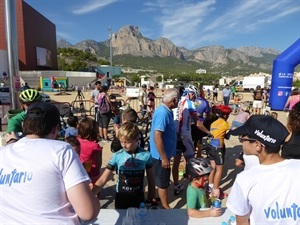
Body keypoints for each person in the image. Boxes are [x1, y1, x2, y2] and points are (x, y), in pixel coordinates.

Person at [0, 102, 100, 224]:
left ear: (23, 125)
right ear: (56, 129)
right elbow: (87, 212)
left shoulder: (3, 153)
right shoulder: (62, 150)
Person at [226, 115, 300, 225]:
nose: (241, 142)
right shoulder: (297, 167)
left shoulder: (245, 179)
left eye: (242, 138)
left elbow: (242, 222)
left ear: (257, 145)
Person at [92, 122, 155, 209]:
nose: (123, 145)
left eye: (127, 142)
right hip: (121, 197)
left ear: (137, 140)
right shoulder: (117, 155)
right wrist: (91, 194)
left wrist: (151, 196)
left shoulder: (146, 155)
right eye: (121, 142)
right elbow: (103, 178)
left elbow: (151, 177)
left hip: (138, 197)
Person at [172, 85, 211, 195]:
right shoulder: (190, 103)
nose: (194, 99)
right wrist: (208, 132)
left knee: (176, 162)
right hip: (186, 136)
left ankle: (176, 185)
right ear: (191, 93)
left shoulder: (177, 102)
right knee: (191, 162)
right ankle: (194, 186)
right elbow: (198, 123)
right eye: (194, 97)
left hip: (176, 135)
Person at [149, 88, 179, 209]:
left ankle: (158, 199)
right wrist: (164, 157)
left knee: (162, 179)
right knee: (163, 182)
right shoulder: (163, 113)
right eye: (177, 100)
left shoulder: (166, 111)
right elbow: (157, 137)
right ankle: (166, 207)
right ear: (173, 100)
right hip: (160, 156)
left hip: (162, 154)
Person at [208, 104, 231, 199]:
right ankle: (216, 192)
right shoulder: (225, 124)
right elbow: (235, 129)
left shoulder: (213, 123)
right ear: (225, 115)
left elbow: (220, 134)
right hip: (219, 149)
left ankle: (210, 187)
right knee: (219, 169)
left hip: (211, 147)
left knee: (212, 167)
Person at [77, 117, 102, 184]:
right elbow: (98, 165)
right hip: (92, 172)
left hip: (80, 170)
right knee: (95, 191)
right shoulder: (95, 146)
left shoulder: (77, 141)